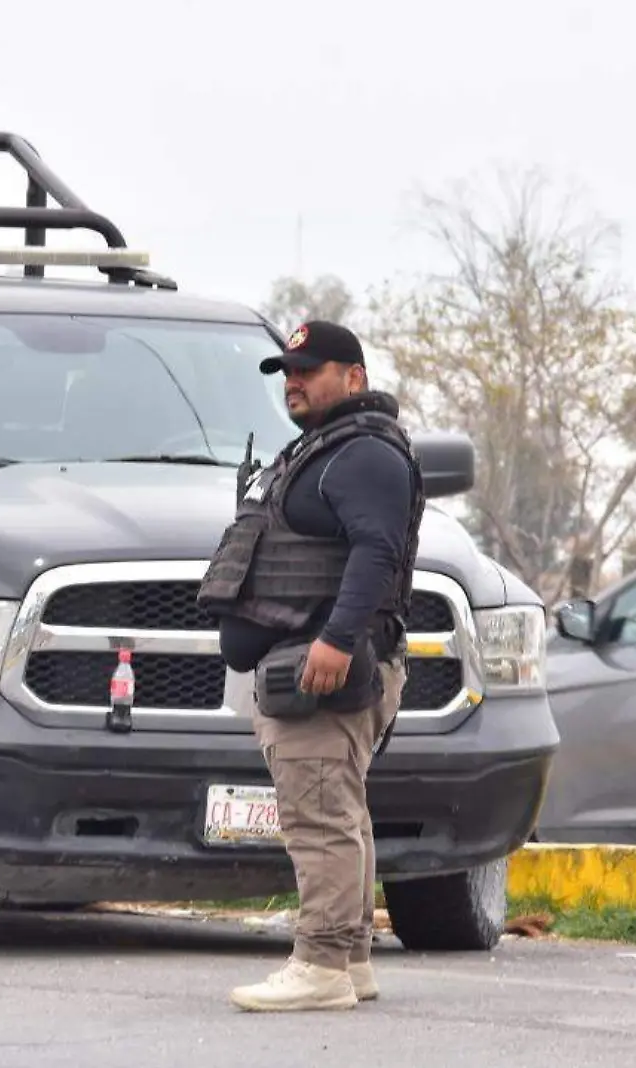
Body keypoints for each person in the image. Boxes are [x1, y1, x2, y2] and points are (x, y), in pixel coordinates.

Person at [197, 319, 424, 1012]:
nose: (294, 380)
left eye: (310, 369)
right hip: (308, 662)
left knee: (319, 817)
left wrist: (333, 638)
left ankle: (320, 963)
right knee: (341, 811)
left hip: (325, 667)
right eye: (288, 371)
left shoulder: (365, 456)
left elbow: (377, 552)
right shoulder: (324, 450)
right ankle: (350, 958)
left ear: (354, 377)